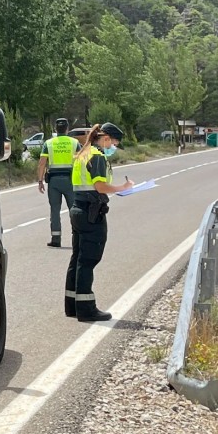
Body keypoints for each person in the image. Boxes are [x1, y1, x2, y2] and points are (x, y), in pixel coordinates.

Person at [65, 122, 133, 322]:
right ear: (105, 139)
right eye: (114, 143)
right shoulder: (97, 156)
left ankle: (72, 306)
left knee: (77, 258)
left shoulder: (83, 154)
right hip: (91, 213)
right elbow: (100, 186)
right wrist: (124, 187)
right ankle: (86, 309)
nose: (113, 147)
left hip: (78, 209)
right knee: (88, 260)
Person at [37, 118, 80, 247]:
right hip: (70, 180)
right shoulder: (74, 142)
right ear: (67, 128)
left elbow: (42, 163)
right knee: (74, 209)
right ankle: (76, 238)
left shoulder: (49, 143)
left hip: (54, 181)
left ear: (56, 129)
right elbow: (80, 161)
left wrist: (40, 181)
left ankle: (56, 239)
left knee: (54, 210)